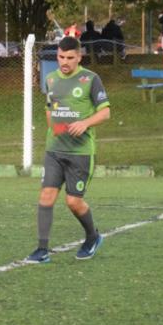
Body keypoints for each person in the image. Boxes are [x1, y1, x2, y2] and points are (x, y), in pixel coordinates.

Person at [26, 36, 111, 264]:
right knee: (46, 195)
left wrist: (85, 123)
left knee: (73, 202)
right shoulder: (51, 79)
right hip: (54, 150)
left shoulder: (91, 79)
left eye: (70, 58)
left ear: (79, 57)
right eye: (61, 57)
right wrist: (54, 129)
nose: (65, 62)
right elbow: (49, 107)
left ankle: (92, 237)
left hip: (80, 153)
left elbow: (105, 112)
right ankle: (42, 249)